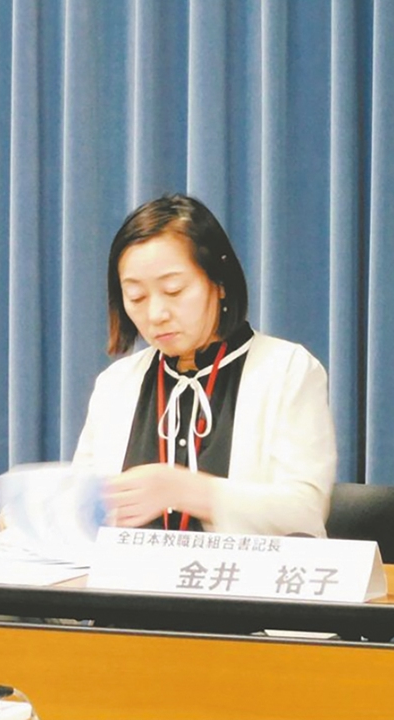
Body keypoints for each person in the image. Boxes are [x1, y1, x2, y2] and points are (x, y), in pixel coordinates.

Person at [72, 194, 336, 537]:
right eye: (136, 297)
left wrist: (187, 491)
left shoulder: (287, 369)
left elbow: (305, 512)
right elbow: (83, 502)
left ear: (220, 282)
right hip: (128, 586)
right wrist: (43, 518)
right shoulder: (117, 383)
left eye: (174, 290)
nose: (155, 315)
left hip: (238, 586)